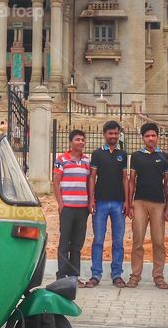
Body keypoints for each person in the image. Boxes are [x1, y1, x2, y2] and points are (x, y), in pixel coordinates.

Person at [127, 122, 168, 289]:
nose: (150, 138)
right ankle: (135, 276)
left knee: (158, 241)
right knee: (138, 239)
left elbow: (167, 184)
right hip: (139, 202)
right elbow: (132, 181)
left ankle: (158, 276)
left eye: (153, 135)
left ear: (158, 137)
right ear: (143, 138)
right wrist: (130, 203)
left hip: (158, 204)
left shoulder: (164, 157)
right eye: (147, 136)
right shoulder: (136, 156)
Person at [88, 120, 130, 288]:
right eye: (110, 133)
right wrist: (91, 199)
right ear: (104, 134)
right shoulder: (97, 154)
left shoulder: (123, 154)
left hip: (119, 203)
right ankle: (95, 274)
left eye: (116, 133)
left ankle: (117, 274)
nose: (113, 136)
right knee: (98, 240)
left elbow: (124, 178)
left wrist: (127, 201)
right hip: (101, 203)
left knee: (118, 241)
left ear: (119, 134)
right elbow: (92, 177)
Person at [53, 129, 91, 285]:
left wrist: (89, 203)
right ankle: (62, 275)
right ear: (70, 142)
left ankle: (74, 277)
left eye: (82, 140)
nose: (80, 142)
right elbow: (55, 181)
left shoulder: (87, 161)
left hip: (82, 208)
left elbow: (89, 183)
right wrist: (60, 204)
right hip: (67, 207)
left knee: (77, 243)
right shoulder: (62, 159)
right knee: (64, 242)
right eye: (77, 139)